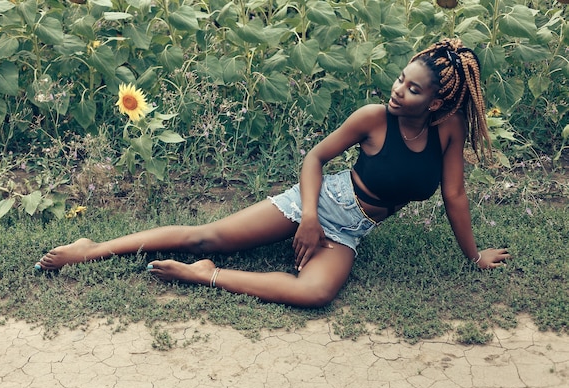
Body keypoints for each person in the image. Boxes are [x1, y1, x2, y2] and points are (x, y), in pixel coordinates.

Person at [36, 38, 510, 307]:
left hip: (351, 229)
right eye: (401, 79)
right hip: (321, 201)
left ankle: (205, 277)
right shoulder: (373, 117)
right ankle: (91, 250)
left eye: (413, 89)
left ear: (438, 100)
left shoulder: (448, 131)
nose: (399, 90)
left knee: (316, 294)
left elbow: (455, 197)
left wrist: (473, 257)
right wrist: (308, 216)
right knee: (207, 235)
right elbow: (315, 159)